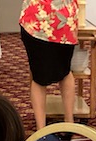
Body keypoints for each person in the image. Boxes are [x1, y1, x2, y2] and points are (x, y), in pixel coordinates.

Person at [19, 0, 79, 130]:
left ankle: (43, 129)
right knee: (61, 72)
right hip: (50, 21)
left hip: (43, 21)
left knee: (43, 76)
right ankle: (68, 123)